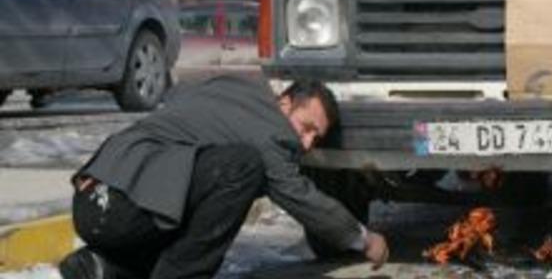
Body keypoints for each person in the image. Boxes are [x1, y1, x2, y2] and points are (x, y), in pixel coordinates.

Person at [59, 75, 389, 279]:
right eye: (306, 128)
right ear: (285, 103)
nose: (305, 143)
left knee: (202, 189)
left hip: (94, 198)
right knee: (243, 168)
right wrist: (362, 238)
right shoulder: (271, 131)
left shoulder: (230, 89)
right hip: (119, 206)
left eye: (316, 139)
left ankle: (104, 267)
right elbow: (299, 195)